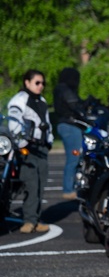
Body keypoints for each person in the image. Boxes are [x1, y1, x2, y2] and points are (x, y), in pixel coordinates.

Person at [6, 70, 54, 233]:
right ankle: (28, 220)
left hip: (42, 148)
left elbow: (47, 122)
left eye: (43, 83)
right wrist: (22, 143)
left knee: (41, 184)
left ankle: (36, 218)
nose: (41, 86)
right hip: (27, 148)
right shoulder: (19, 100)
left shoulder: (41, 100)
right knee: (31, 183)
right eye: (37, 82)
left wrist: (49, 141)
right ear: (27, 82)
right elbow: (13, 123)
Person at [52, 67, 87, 199]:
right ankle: (69, 190)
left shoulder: (60, 89)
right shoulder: (65, 89)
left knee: (74, 158)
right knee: (74, 158)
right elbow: (75, 105)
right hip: (70, 125)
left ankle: (71, 188)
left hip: (66, 125)